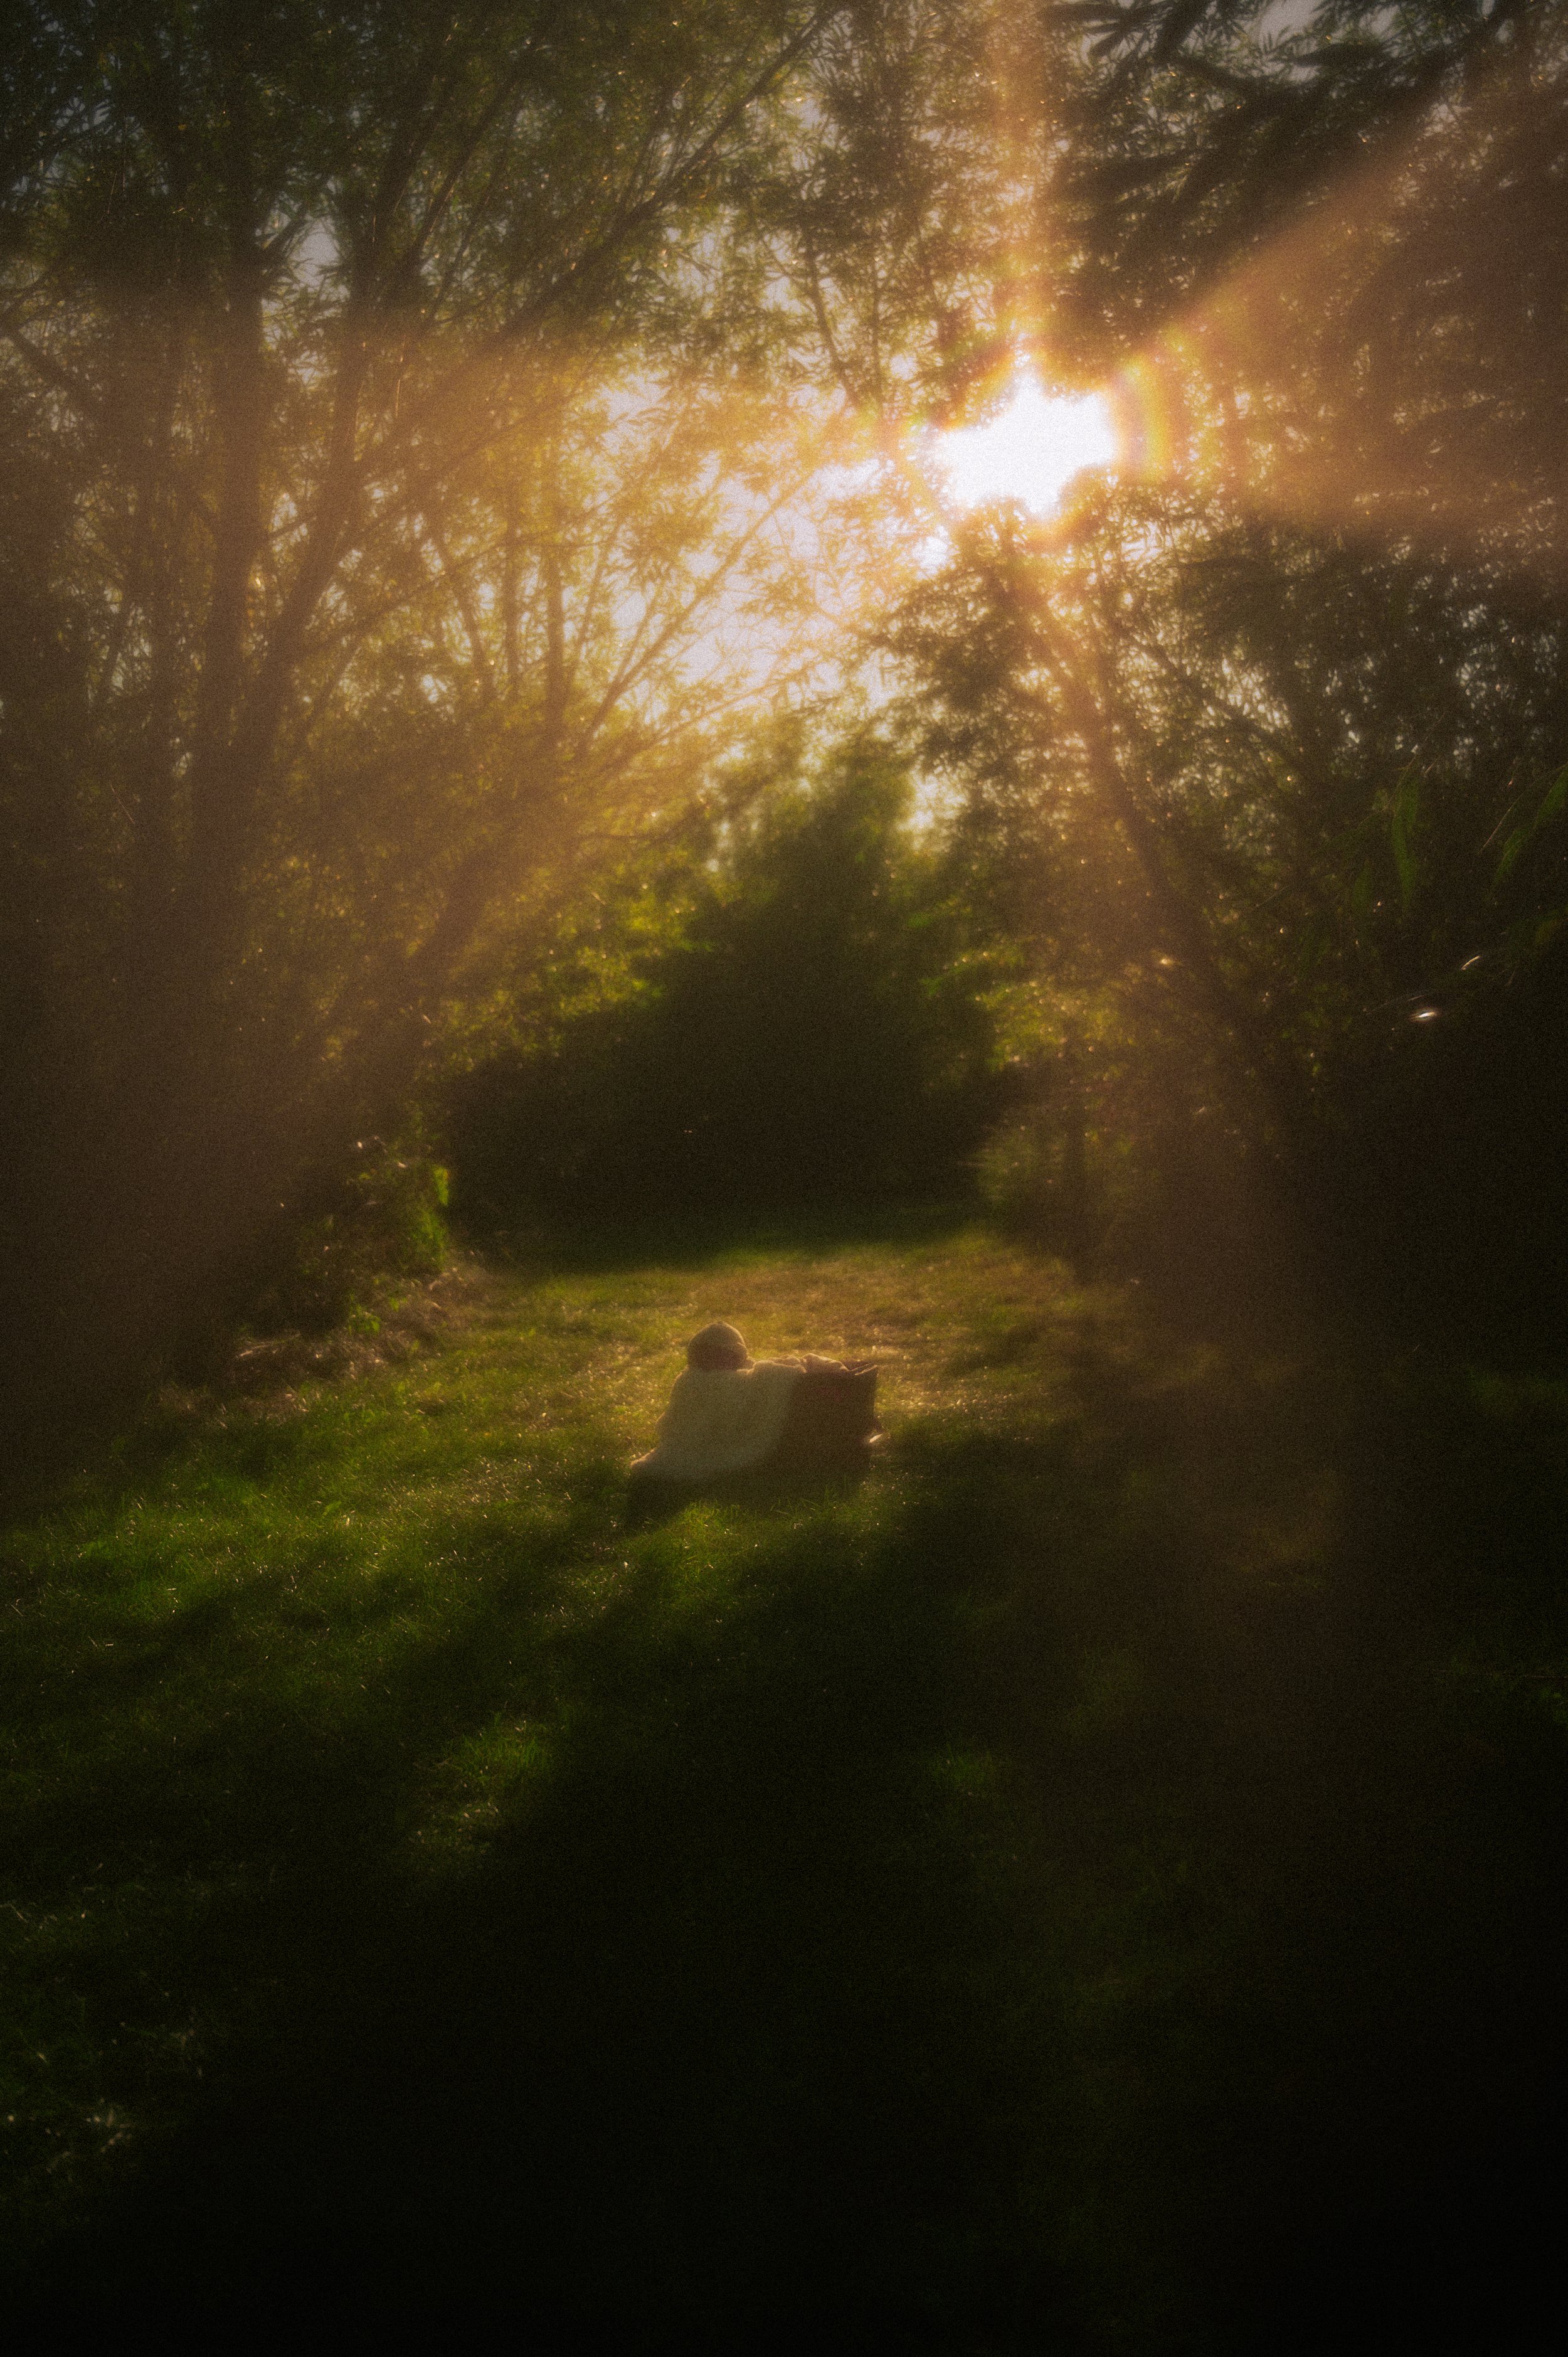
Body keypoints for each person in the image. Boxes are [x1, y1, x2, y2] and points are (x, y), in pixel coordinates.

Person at [630, 1320, 876, 1484]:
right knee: (788, 1367)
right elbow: (685, 1414)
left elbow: (770, 1372)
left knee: (796, 1364)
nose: (714, 1363)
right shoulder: (694, 1380)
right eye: (705, 1357)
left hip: (799, 1382)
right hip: (710, 1442)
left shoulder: (751, 1372)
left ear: (737, 1355)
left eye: (721, 1356)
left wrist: (782, 1370)